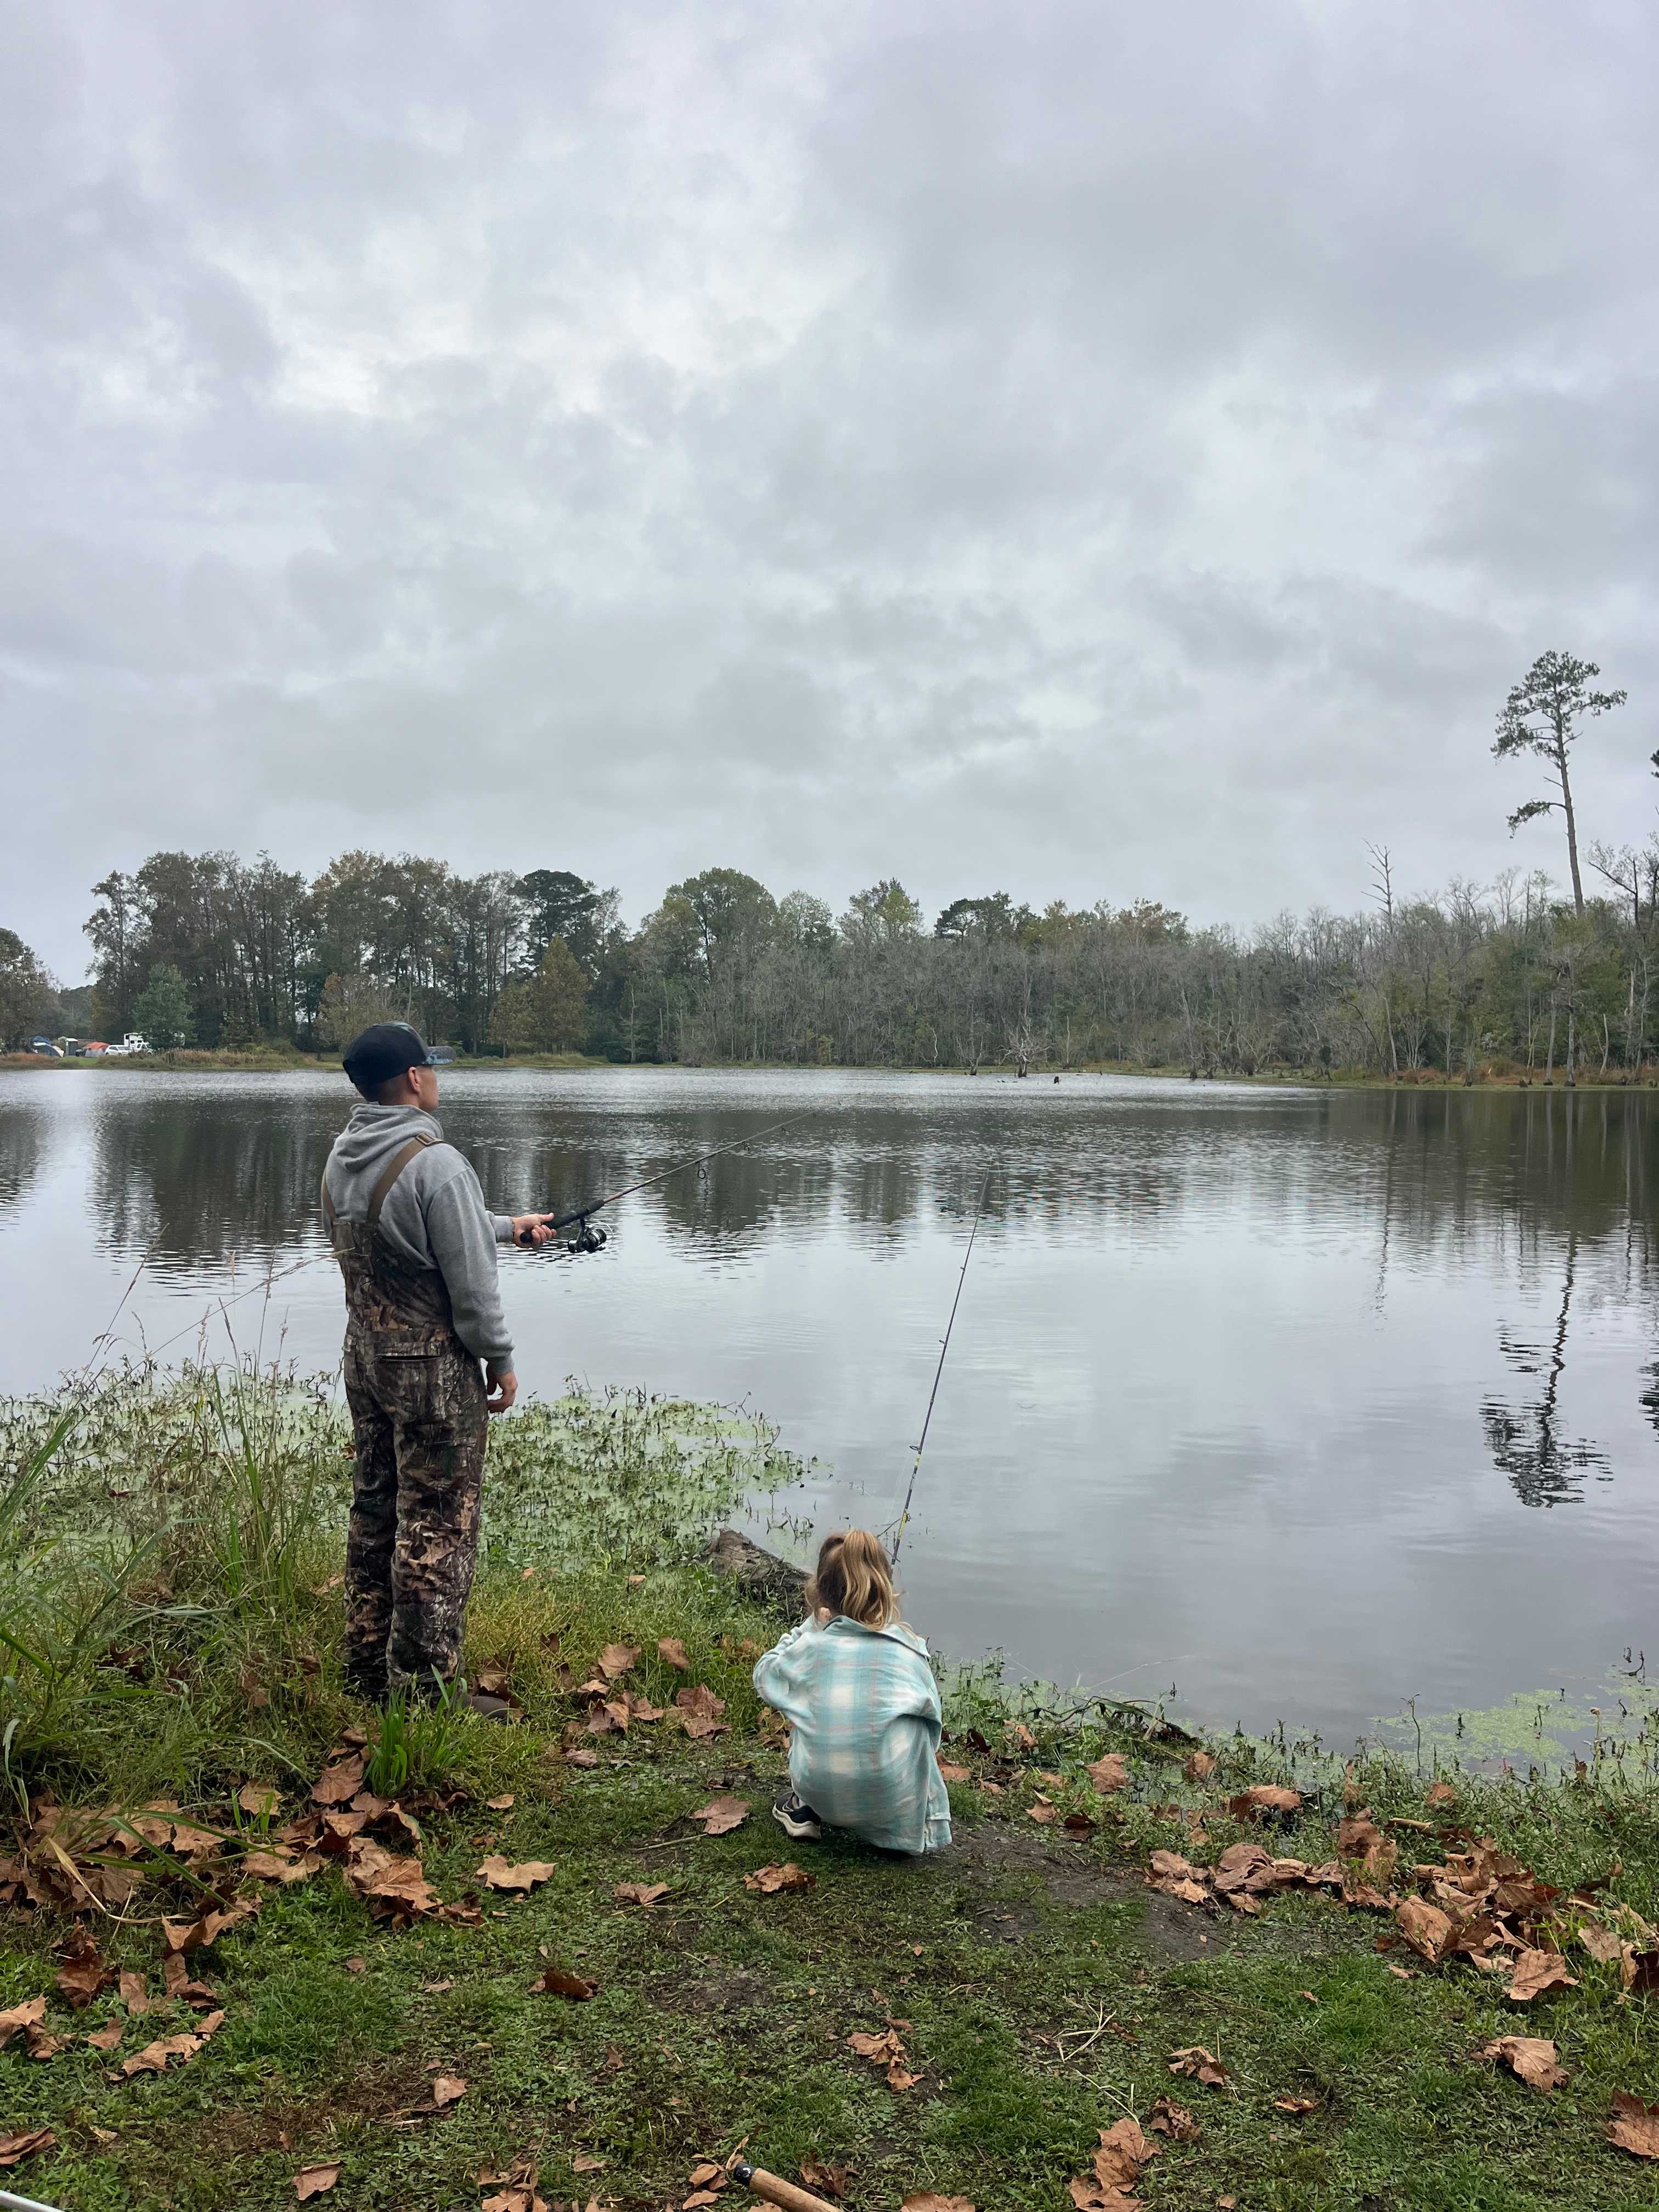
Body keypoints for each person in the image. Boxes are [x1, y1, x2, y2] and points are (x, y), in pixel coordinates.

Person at [321, 1020, 554, 1708]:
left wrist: (510, 1227)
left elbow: (422, 1230)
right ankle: (421, 1693)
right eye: (432, 1069)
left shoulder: (343, 1155)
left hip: (365, 1357)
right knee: (438, 1521)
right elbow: (473, 1291)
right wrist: (499, 1358)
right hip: (428, 1371)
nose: (436, 1079)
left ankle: (365, 1670)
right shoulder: (438, 1162)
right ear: (416, 1079)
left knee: (376, 1509)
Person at [751, 1528, 951, 1855]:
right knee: (918, 1722)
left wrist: (810, 1627)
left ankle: (803, 1807)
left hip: (821, 1792)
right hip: (890, 1798)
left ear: (820, 1593)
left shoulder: (811, 1646)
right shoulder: (910, 1651)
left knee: (806, 1703)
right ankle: (902, 1830)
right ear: (885, 1589)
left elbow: (765, 1675)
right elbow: (933, 1726)